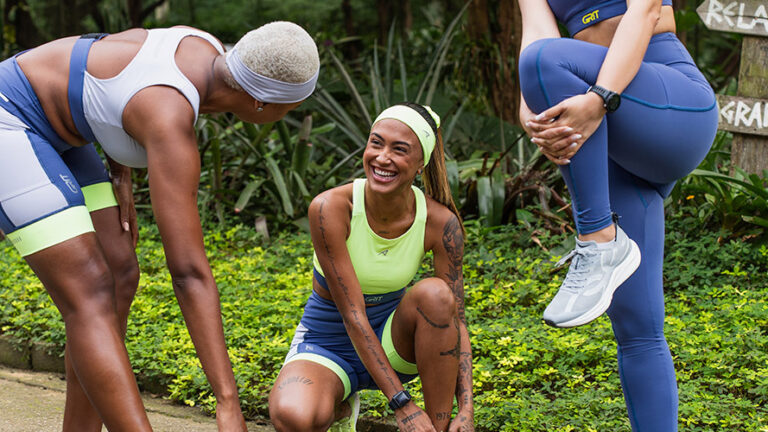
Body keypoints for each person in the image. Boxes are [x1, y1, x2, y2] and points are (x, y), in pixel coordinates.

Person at [0, 21, 319, 431]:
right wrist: (228, 403)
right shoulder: (169, 117)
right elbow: (188, 273)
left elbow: (113, 68)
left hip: (64, 129)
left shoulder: (203, 47)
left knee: (119, 273)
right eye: (291, 108)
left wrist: (122, 167)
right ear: (261, 102)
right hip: (11, 117)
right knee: (91, 291)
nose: (289, 116)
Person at [516, 0, 718, 430]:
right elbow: (537, 27)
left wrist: (600, 98)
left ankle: (597, 238)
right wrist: (530, 108)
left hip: (667, 101)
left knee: (542, 60)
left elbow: (644, 11)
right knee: (638, 327)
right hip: (608, 124)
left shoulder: (603, 91)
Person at [268, 103, 474, 432]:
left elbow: (457, 320)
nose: (382, 157)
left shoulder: (440, 223)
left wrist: (466, 409)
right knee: (294, 416)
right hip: (328, 341)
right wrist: (402, 404)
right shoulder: (331, 208)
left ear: (421, 163)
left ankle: (439, 428)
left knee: (437, 295)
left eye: (399, 149)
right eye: (376, 143)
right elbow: (352, 314)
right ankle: (337, 403)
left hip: (393, 340)